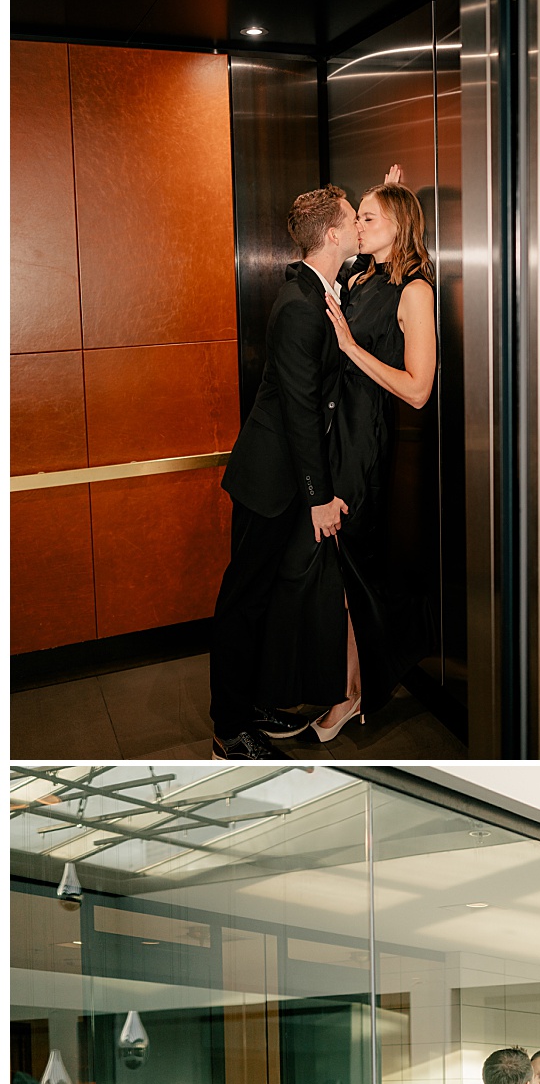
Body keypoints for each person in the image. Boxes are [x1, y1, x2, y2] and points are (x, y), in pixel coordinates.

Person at [255, 170, 438, 740]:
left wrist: (352, 349)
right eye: (355, 216)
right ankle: (348, 689)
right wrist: (388, 186)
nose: (356, 225)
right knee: (336, 576)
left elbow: (417, 388)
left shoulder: (416, 292)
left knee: (350, 575)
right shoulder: (360, 280)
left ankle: (353, 693)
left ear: (398, 226)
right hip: (335, 440)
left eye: (368, 217)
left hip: (364, 444)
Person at [209, 185, 359, 758]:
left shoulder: (314, 288)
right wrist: (319, 497)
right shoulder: (301, 305)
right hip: (268, 480)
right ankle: (229, 730)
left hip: (282, 476)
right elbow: (299, 408)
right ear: (331, 236)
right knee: (242, 602)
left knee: (263, 601)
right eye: (351, 220)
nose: (356, 229)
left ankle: (248, 706)